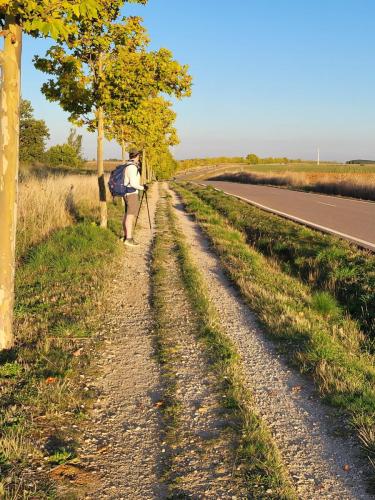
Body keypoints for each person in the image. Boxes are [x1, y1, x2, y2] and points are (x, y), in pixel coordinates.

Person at [123, 149, 148, 247]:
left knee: (126, 215)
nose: (139, 158)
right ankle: (129, 239)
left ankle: (126, 236)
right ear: (137, 156)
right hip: (131, 194)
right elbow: (133, 184)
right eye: (139, 156)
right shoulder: (132, 168)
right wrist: (143, 187)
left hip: (127, 193)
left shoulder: (127, 165)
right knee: (130, 216)